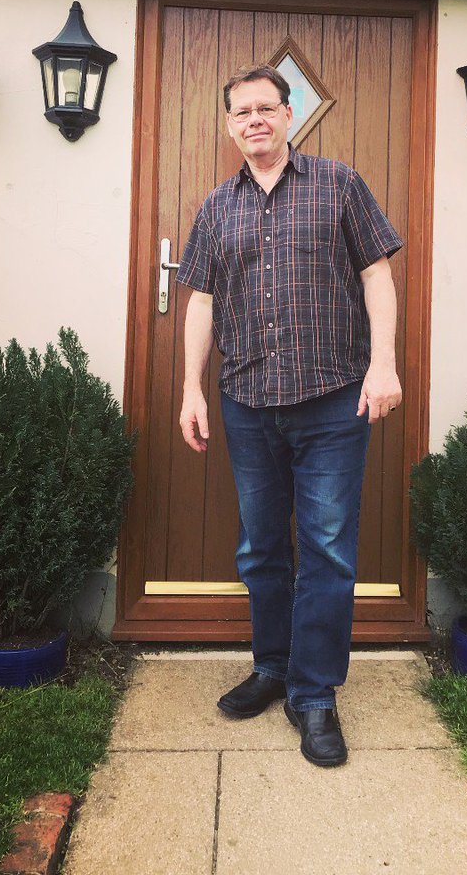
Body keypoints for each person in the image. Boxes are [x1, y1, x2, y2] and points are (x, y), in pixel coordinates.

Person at [177, 63, 403, 768]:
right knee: (262, 550)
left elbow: (377, 276)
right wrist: (191, 388)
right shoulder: (216, 208)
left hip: (335, 398)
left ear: (288, 115)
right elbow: (202, 303)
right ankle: (272, 667)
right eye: (241, 111)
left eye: (265, 108)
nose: (254, 120)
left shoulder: (338, 184)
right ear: (230, 125)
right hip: (246, 403)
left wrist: (385, 364)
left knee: (329, 552)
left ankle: (314, 696)